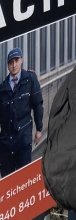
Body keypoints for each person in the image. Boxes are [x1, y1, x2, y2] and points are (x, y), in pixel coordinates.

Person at [0, 47, 43, 176]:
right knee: (7, 180)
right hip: (6, 142)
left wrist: (39, 129)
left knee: (24, 176)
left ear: (21, 60)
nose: (14, 65)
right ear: (7, 65)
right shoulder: (2, 88)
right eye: (11, 62)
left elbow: (37, 104)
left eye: (16, 60)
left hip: (23, 138)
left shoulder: (30, 79)